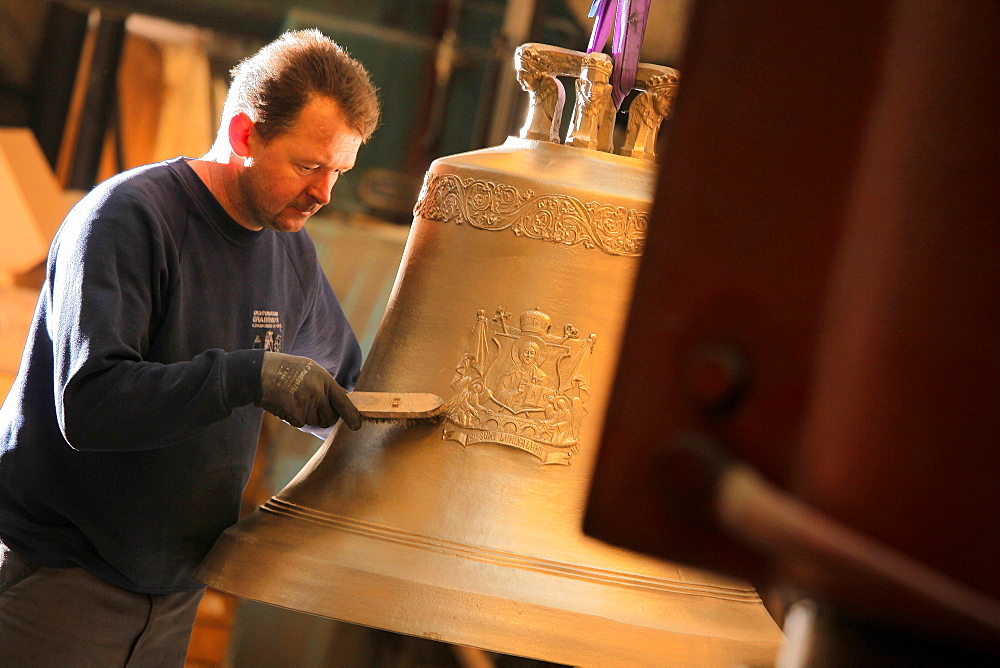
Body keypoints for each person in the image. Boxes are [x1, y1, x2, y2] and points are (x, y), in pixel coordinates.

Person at [0, 28, 380, 664]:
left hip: (175, 595)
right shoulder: (130, 219)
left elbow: (351, 395)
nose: (323, 194)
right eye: (308, 166)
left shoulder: (290, 254)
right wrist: (246, 376)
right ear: (243, 135)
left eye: (338, 171)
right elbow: (91, 405)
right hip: (61, 583)